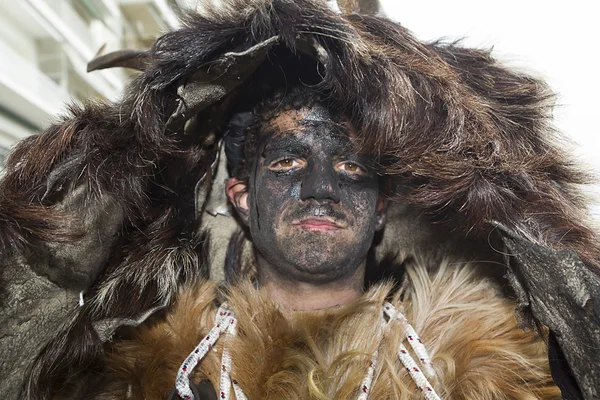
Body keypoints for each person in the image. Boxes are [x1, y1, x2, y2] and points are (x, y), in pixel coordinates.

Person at [0, 0, 598, 399]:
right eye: (288, 162)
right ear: (240, 195)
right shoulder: (143, 371)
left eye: (351, 166)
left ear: (382, 204)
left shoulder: (487, 368)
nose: (321, 188)